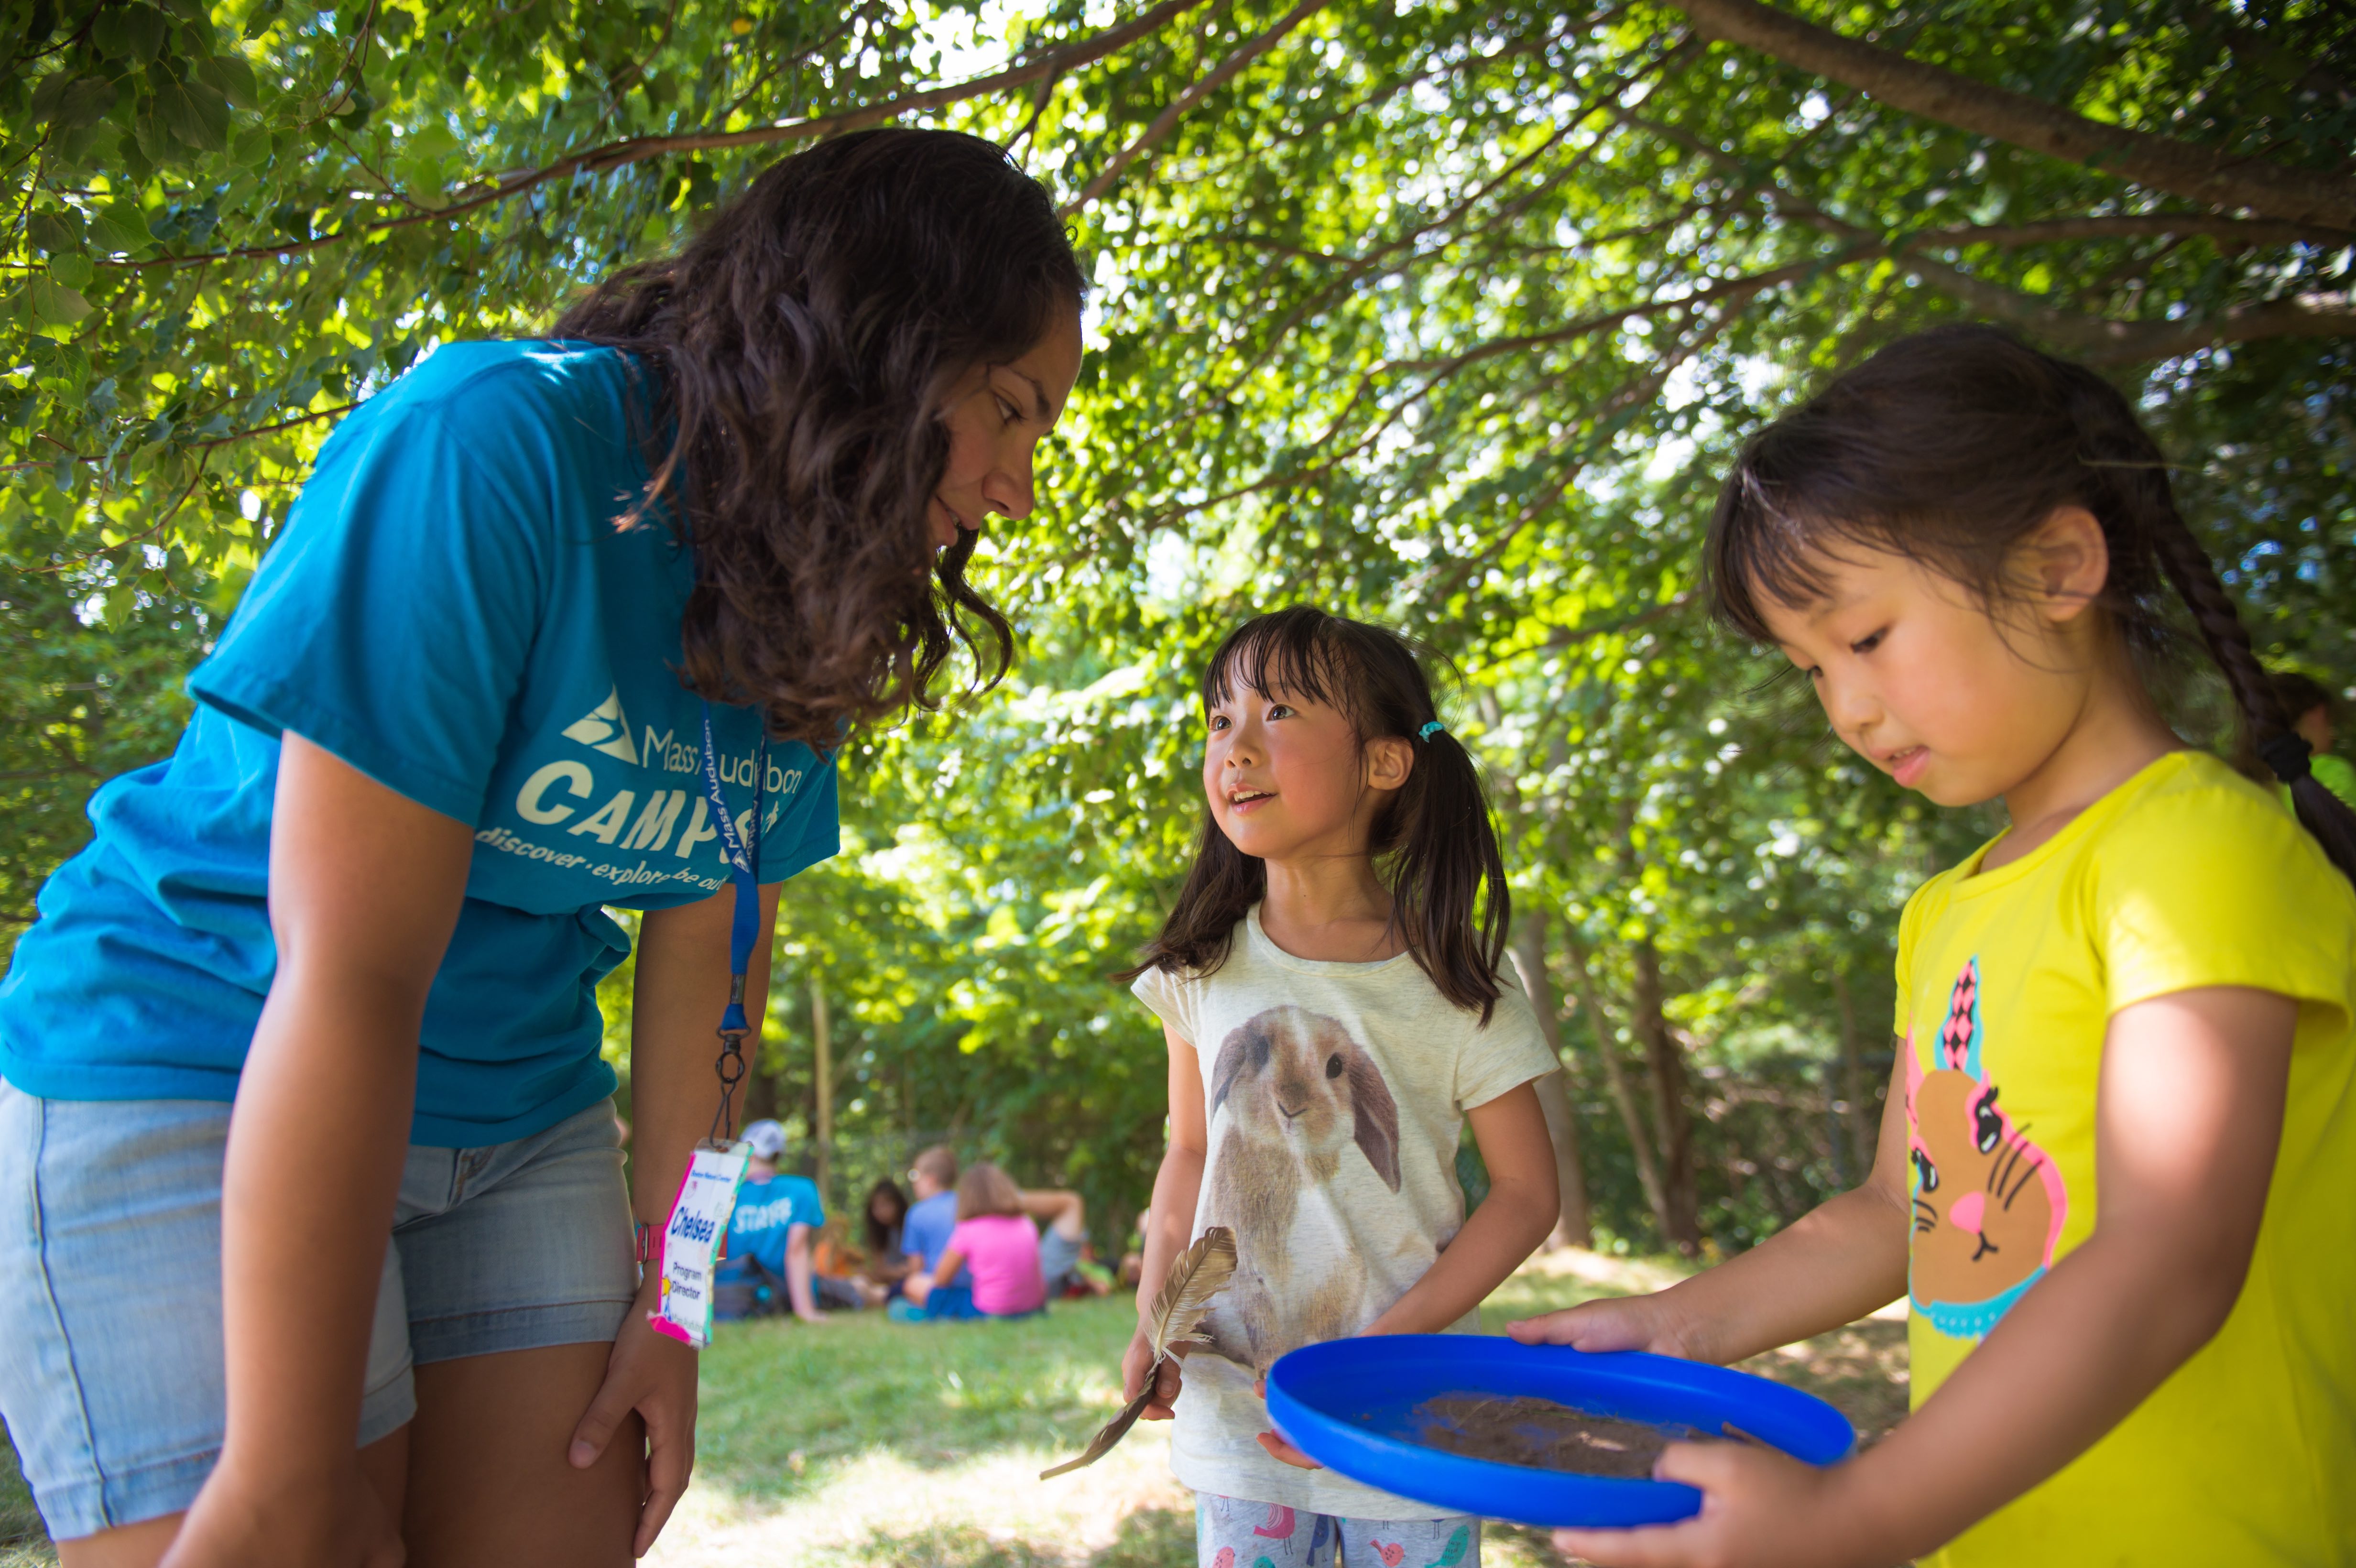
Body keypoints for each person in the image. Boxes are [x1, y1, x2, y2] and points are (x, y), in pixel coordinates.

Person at [0, 128, 1084, 1568]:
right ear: (885, 341)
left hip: (518, 1122)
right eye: (1010, 410)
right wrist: (282, 1463)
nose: (1016, 487)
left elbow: (712, 965)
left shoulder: (813, 592)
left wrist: (675, 1303)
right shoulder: (497, 443)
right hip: (205, 1044)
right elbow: (355, 971)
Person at [1512, 326, 2356, 1568]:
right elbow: (1895, 1215)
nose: (1847, 706)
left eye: (1865, 638)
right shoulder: (1948, 909)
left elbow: (2170, 1255)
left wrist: (1861, 1515)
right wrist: (1672, 1325)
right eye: (1810, 669)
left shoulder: (2194, 854)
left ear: (2060, 564)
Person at [1119, 607, 1562, 1568]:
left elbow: (1527, 1193)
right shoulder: (1200, 970)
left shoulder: (1454, 981)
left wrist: (1369, 1359)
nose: (1233, 747)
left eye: (1275, 710)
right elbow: (1187, 1152)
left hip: (1398, 1415)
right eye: (1216, 718)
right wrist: (1155, 1314)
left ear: (1384, 763)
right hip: (1238, 1422)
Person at [712, 1121, 829, 1324]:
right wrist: (805, 1312)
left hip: (729, 1299)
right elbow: (797, 1251)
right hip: (782, 1295)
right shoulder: (801, 1189)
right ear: (778, 1154)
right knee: (856, 1288)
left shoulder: (721, 1194)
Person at [927, 1163, 1048, 1319]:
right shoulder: (1026, 1223)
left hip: (990, 1311)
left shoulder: (968, 1229)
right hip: (1034, 1308)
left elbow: (941, 1279)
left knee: (917, 1285)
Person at [2269, 670, 2356, 810]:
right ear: (2318, 714)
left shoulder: (2244, 780)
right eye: (2330, 720)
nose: (2334, 735)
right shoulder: (2332, 772)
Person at [898, 1144, 970, 1310]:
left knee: (900, 1304)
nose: (913, 1183)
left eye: (915, 1175)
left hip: (937, 1290)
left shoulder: (917, 1213)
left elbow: (915, 1269)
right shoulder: (968, 1205)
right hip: (975, 1290)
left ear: (930, 1180)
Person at [861, 1178, 916, 1296]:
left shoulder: (912, 1224)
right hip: (890, 1284)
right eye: (875, 1207)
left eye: (885, 1205)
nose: (880, 1212)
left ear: (897, 1204)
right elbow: (879, 1270)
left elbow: (916, 1267)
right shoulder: (877, 1232)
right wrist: (897, 1272)